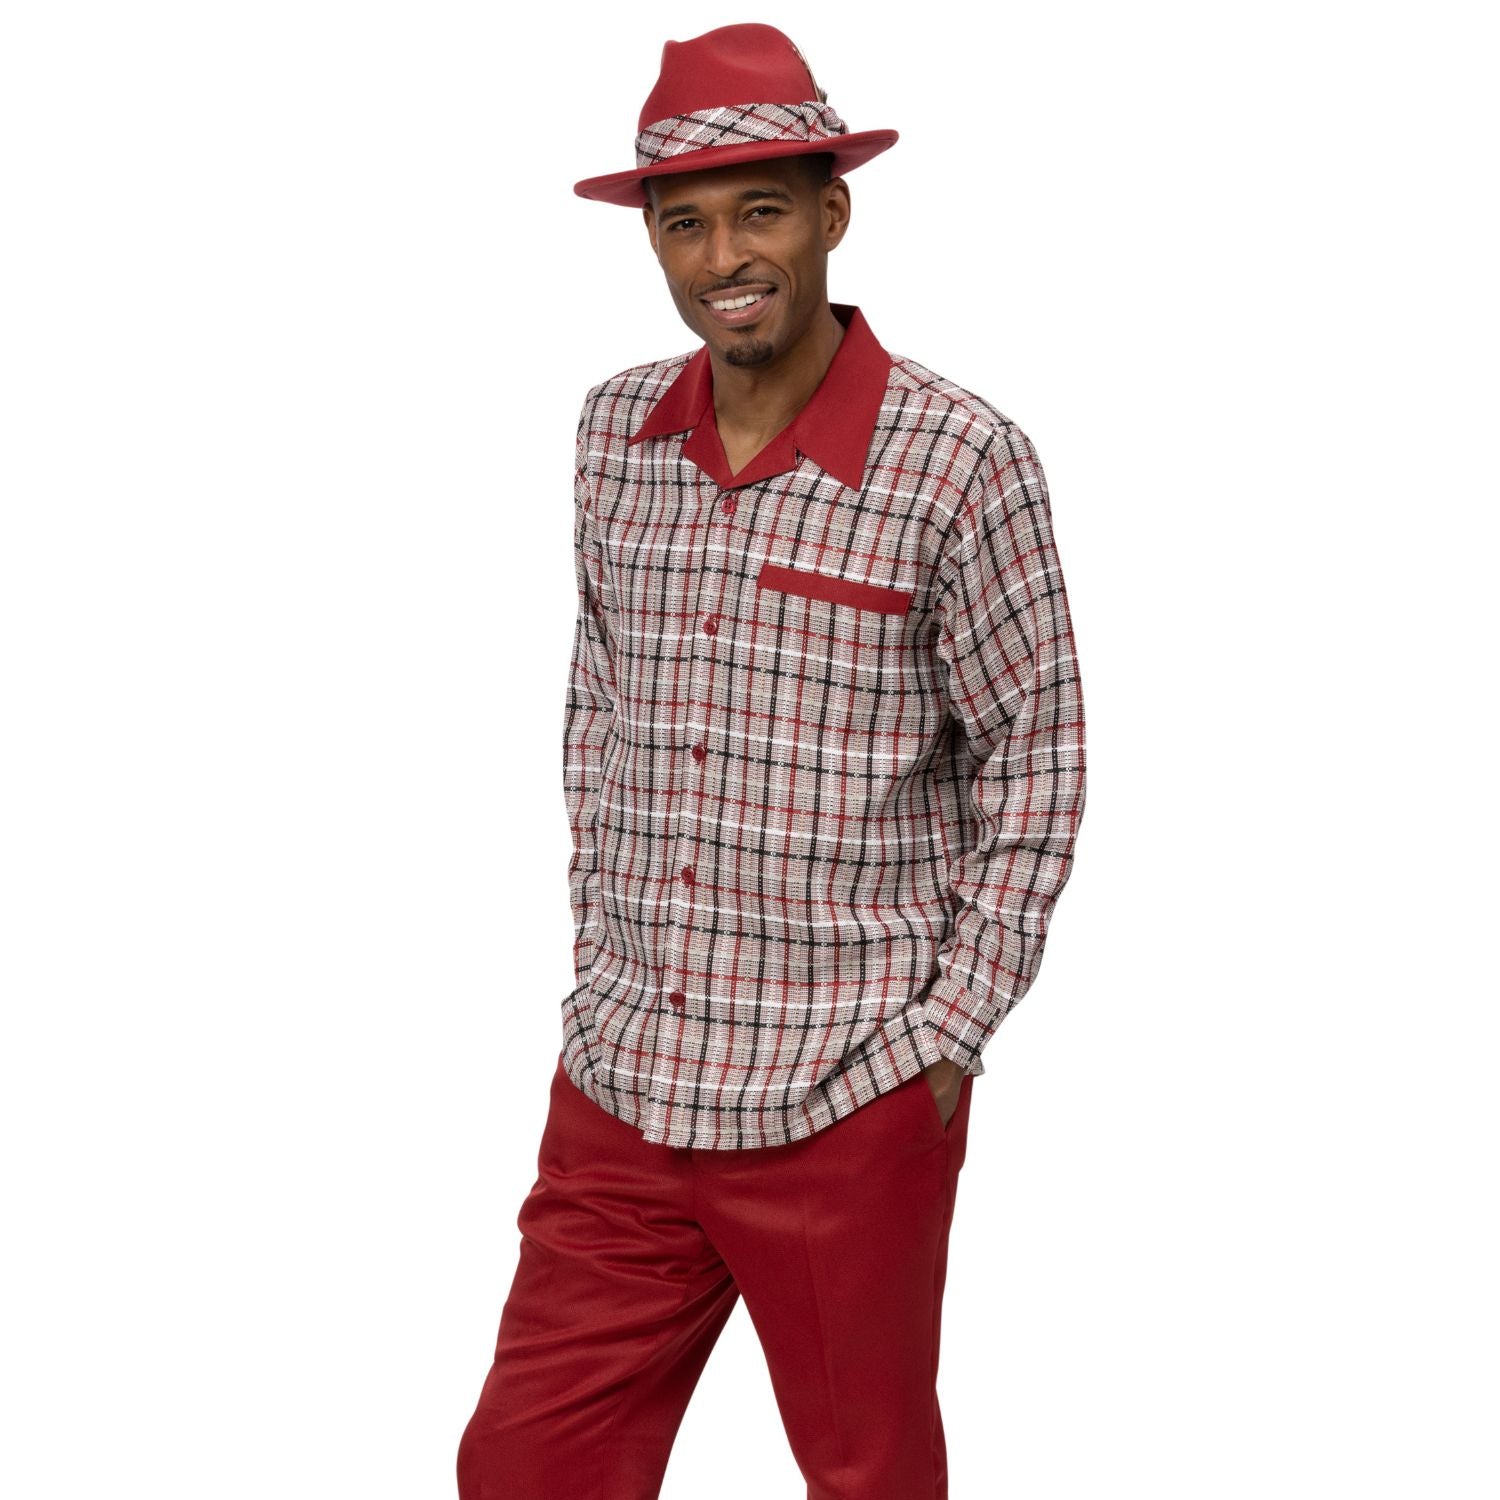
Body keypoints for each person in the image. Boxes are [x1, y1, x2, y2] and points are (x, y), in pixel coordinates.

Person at [457, 22, 1087, 1500]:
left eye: (760, 212)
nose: (724, 255)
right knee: (525, 1467)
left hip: (845, 1091)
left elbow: (1037, 754)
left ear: (831, 213)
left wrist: (947, 1035)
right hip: (627, 1077)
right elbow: (599, 704)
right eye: (684, 223)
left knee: (868, 1478)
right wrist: (603, 955)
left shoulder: (959, 458)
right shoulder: (614, 434)